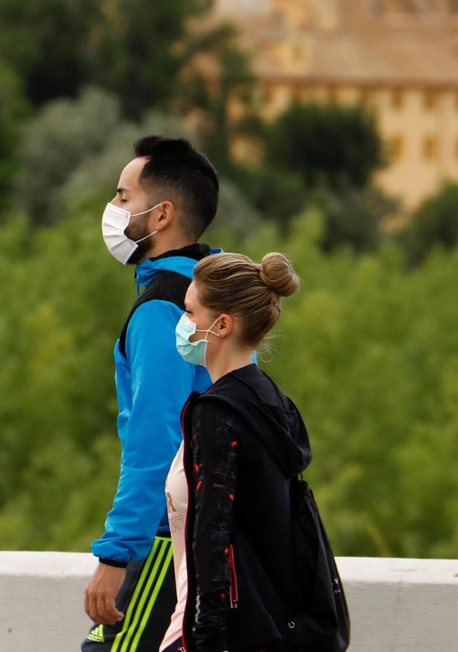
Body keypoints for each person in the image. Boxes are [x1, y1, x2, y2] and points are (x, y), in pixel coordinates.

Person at [83, 135, 222, 652]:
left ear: (160, 215)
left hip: (168, 539)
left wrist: (117, 555)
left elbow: (156, 439)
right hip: (212, 531)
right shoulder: (212, 297)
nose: (113, 210)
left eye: (122, 197)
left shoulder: (162, 308)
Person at [163, 251, 310, 652]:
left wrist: (206, 635)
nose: (183, 324)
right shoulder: (274, 402)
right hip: (268, 625)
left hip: (214, 632)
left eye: (190, 312)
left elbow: (214, 530)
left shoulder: (216, 412)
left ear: (222, 325)